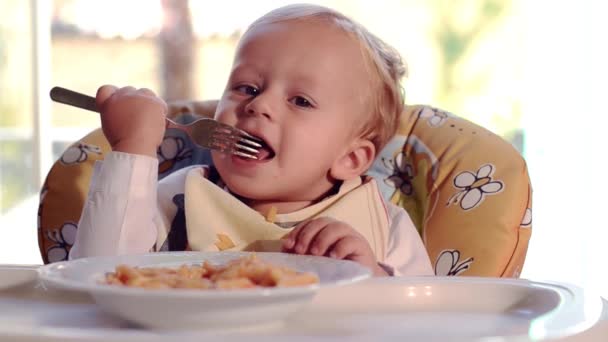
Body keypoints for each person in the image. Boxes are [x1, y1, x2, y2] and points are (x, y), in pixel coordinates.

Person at [70, 4, 433, 277]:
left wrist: (369, 278)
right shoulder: (180, 199)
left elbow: (426, 320)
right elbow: (95, 276)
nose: (259, 104)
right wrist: (133, 147)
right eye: (247, 87)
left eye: (301, 101)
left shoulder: (384, 225)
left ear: (351, 159)